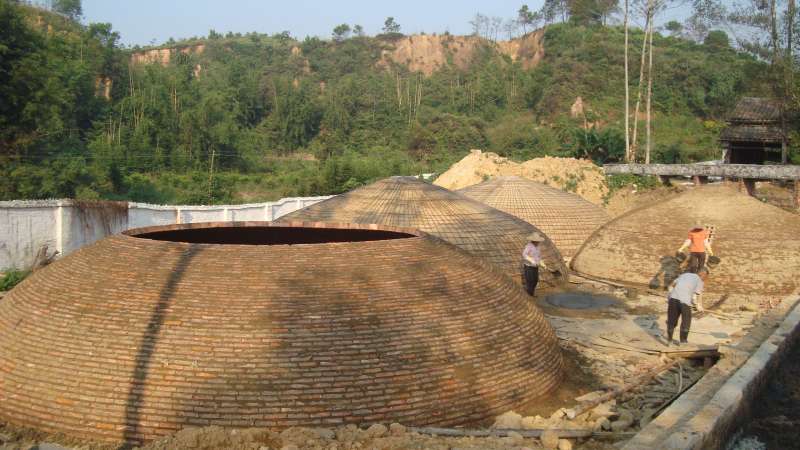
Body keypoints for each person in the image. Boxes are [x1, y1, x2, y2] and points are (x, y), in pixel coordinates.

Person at [665, 268, 708, 345]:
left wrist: (670, 296)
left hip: (673, 299)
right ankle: (683, 342)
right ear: (702, 274)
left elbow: (671, 286)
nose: (704, 279)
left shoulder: (684, 274)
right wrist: (698, 306)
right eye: (705, 277)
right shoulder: (699, 280)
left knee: (671, 321)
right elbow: (697, 295)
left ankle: (669, 341)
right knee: (686, 321)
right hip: (685, 302)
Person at [521, 232, 548, 297]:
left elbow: (539, 257)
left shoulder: (538, 247)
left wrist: (542, 263)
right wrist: (531, 260)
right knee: (530, 281)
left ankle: (531, 293)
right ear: (533, 240)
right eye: (537, 241)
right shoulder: (529, 246)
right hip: (529, 266)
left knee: (535, 280)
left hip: (535, 266)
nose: (538, 242)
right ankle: (529, 295)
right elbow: (524, 254)